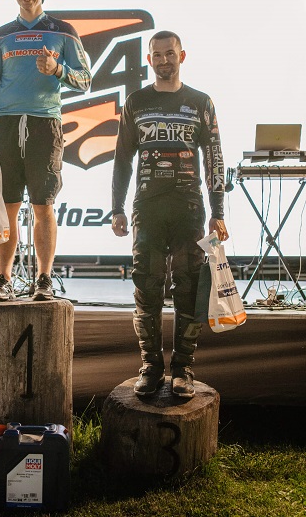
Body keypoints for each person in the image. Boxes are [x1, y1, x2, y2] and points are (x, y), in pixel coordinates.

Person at [111, 30, 228, 399]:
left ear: (182, 56)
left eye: (170, 53)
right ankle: (150, 367)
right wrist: (116, 207)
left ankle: (182, 369)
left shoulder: (201, 102)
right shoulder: (137, 102)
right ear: (149, 60)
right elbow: (122, 158)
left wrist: (218, 211)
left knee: (188, 287)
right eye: (157, 55)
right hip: (147, 207)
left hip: (189, 208)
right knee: (146, 288)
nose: (164, 60)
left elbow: (215, 158)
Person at [0, 0, 91, 302]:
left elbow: (85, 80)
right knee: (8, 207)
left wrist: (58, 69)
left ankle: (43, 279)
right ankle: (3, 279)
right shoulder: (0, 35)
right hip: (5, 124)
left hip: (45, 124)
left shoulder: (63, 31)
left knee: (43, 206)